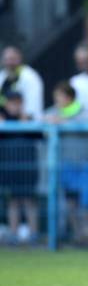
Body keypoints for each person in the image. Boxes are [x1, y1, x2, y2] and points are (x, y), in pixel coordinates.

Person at [45, 82, 88, 245]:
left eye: (59, 97)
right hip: (66, 163)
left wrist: (64, 121)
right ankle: (78, 234)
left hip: (84, 163)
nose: (57, 100)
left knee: (87, 201)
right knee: (70, 201)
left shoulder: (82, 111)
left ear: (69, 97)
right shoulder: (54, 111)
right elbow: (43, 118)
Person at [0, 91, 40, 245]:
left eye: (18, 102)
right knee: (13, 200)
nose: (15, 105)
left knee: (29, 200)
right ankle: (13, 233)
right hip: (10, 167)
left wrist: (26, 122)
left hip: (28, 167)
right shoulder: (3, 120)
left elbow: (40, 135)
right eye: (12, 102)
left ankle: (34, 233)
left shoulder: (28, 118)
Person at [0, 46, 44, 121]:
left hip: (26, 126)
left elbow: (32, 109)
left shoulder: (30, 77)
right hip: (4, 125)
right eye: (6, 59)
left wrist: (23, 116)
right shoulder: (2, 76)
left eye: (12, 59)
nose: (9, 63)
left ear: (19, 59)